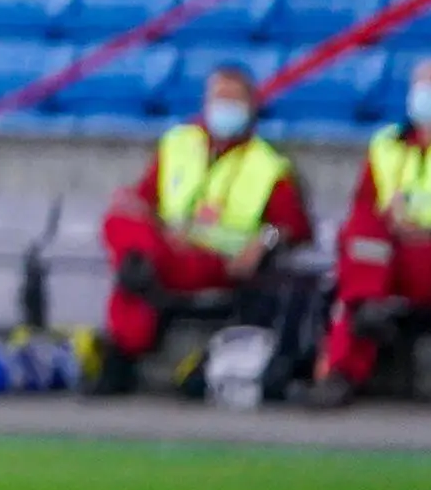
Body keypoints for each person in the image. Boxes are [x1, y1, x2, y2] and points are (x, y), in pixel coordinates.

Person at [97, 63, 312, 396]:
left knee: (137, 278)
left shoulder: (269, 166)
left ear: (251, 106)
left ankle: (119, 358)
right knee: (122, 220)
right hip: (166, 247)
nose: (223, 108)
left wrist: (263, 242)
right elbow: (144, 199)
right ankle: (138, 263)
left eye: (232, 100)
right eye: (217, 99)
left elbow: (294, 227)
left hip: (217, 262)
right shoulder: (178, 144)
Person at [305, 57, 431, 406]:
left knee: (361, 276)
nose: (428, 93)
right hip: (393, 257)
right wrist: (393, 223)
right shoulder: (386, 144)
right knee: (362, 239)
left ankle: (366, 306)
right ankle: (343, 370)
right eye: (422, 85)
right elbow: (365, 204)